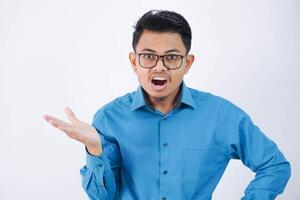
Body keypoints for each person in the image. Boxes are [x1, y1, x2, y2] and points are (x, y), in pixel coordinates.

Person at [44, 10, 291, 200]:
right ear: (134, 61)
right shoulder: (109, 118)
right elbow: (102, 196)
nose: (159, 66)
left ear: (188, 62)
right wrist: (94, 149)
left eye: (171, 57)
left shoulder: (222, 116)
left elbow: (274, 165)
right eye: (148, 56)